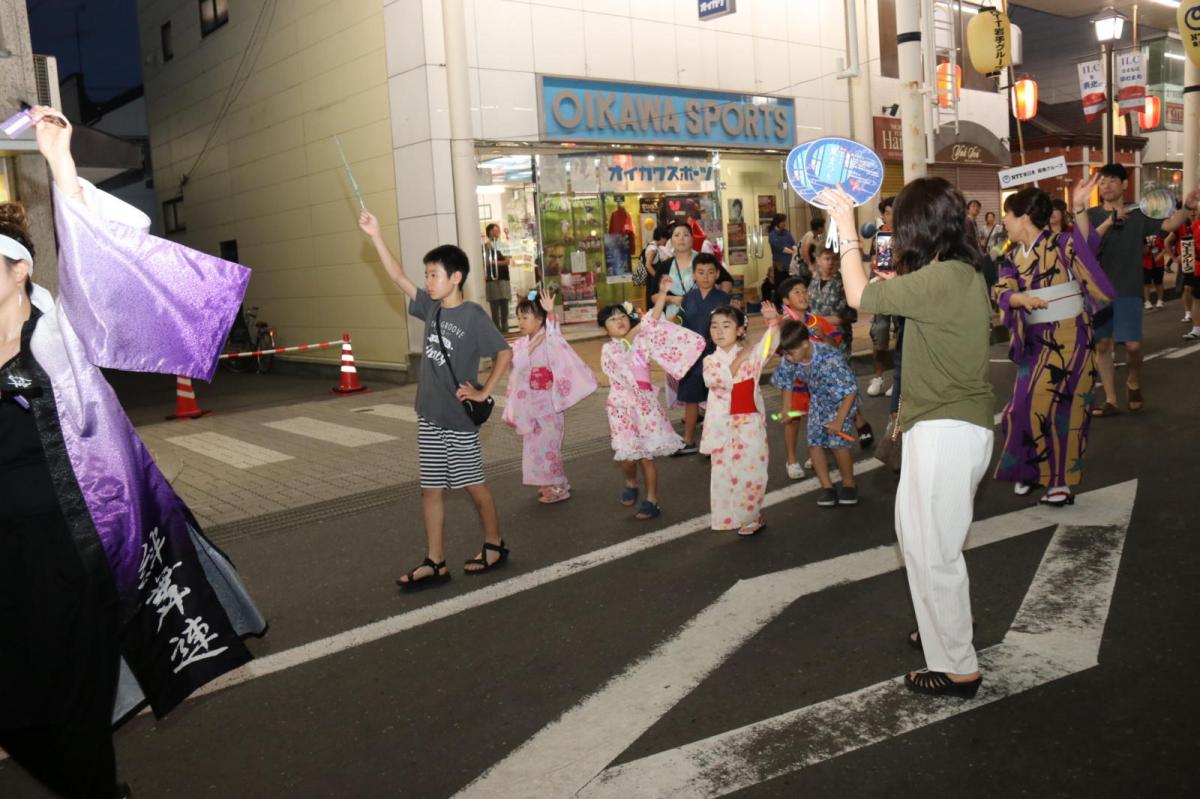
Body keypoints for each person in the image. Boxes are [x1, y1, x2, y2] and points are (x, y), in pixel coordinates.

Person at [0, 107, 266, 798]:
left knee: (76, 698)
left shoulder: (64, 333)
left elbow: (102, 257)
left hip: (79, 555)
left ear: (20, 271)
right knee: (21, 706)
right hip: (8, 563)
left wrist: (60, 165)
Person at [822, 177, 995, 699]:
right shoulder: (956, 274)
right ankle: (940, 627)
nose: (895, 234)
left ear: (920, 226)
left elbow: (859, 296)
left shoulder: (945, 276)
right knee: (918, 539)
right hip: (942, 427)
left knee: (934, 548)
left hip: (946, 429)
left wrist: (848, 229)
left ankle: (959, 666)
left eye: (899, 225)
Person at [359, 212, 514, 587]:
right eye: (426, 274)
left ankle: (494, 544)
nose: (428, 281)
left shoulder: (474, 315)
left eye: (434, 274)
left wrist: (483, 390)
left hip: (458, 419)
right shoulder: (429, 308)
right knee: (431, 490)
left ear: (455, 277)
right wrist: (376, 235)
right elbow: (397, 277)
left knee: (473, 487)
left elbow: (504, 353)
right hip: (428, 415)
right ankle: (435, 560)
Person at [993, 181, 1115, 507]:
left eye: (1008, 215)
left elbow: (1087, 252)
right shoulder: (1010, 255)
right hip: (1035, 341)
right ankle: (1032, 470)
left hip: (1070, 337)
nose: (1004, 221)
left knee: (1067, 411)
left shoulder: (1062, 244)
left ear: (1023, 218)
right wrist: (1016, 297)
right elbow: (1001, 289)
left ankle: (1059, 483)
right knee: (1020, 409)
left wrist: (1078, 209)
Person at [1086, 163, 1200, 415]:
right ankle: (1111, 400)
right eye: (1102, 181)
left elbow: (1169, 225)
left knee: (1133, 347)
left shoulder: (1139, 214)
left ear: (1125, 184)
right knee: (1103, 344)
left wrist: (1188, 207)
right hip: (1098, 292)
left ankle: (1133, 379)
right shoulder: (1091, 215)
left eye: (1112, 180)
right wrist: (1106, 222)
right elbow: (1083, 246)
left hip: (1128, 288)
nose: (1106, 185)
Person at [599, 278, 705, 521]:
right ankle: (630, 480)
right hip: (621, 409)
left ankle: (652, 500)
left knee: (646, 455)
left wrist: (662, 293)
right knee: (628, 456)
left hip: (646, 406)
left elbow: (649, 323)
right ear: (605, 329)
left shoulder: (640, 342)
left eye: (622, 316)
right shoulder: (610, 349)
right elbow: (642, 328)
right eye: (613, 319)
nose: (620, 320)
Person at [502, 288, 597, 504]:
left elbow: (557, 339)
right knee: (535, 447)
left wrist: (550, 312)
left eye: (525, 317)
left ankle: (559, 486)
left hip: (548, 405)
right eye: (519, 317)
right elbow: (513, 364)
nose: (521, 322)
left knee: (549, 447)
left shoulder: (549, 338)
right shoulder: (521, 343)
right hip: (531, 404)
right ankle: (548, 483)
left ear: (539, 319)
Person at [701, 303, 778, 535]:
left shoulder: (751, 355)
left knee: (752, 471)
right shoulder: (710, 361)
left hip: (749, 422)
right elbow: (719, 381)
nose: (719, 331)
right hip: (722, 426)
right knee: (724, 474)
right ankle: (731, 518)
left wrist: (773, 322)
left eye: (726, 325)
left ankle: (751, 516)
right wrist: (742, 356)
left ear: (740, 331)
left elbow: (769, 346)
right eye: (714, 326)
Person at [774, 317, 861, 508]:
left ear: (806, 344)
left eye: (790, 353)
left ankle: (849, 484)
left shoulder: (830, 358)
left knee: (838, 443)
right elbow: (786, 381)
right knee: (814, 442)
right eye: (785, 353)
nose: (788, 357)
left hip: (841, 402)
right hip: (818, 400)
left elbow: (850, 390)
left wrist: (838, 421)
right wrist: (787, 408)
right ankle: (827, 487)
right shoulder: (791, 355)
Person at [661, 253, 731, 455]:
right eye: (701, 272)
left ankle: (717, 441)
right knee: (691, 399)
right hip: (691, 358)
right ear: (694, 275)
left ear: (717, 274)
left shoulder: (723, 298)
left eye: (710, 272)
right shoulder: (689, 297)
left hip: (715, 356)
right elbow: (681, 319)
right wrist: (670, 324)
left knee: (716, 401)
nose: (706, 276)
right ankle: (689, 440)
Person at [808, 246, 874, 447]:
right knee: (825, 387)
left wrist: (815, 320)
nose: (831, 263)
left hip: (838, 342)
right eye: (827, 258)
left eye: (834, 259)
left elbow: (847, 316)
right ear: (817, 260)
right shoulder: (813, 282)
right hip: (816, 343)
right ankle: (855, 423)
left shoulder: (842, 284)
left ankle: (856, 424)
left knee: (842, 386)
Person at [867, 196, 896, 397]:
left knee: (904, 336)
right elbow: (878, 264)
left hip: (905, 291)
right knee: (880, 331)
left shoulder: (910, 233)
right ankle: (878, 377)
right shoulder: (881, 235)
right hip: (884, 293)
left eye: (895, 211)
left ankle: (899, 378)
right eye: (887, 212)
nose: (892, 216)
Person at [483, 222, 512, 332]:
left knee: (504, 306)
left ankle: (505, 329)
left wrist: (495, 257)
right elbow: (486, 263)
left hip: (504, 278)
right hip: (491, 280)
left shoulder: (503, 245)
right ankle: (496, 331)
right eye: (493, 231)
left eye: (497, 231)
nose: (495, 233)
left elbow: (507, 261)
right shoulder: (485, 246)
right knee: (494, 307)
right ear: (488, 233)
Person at [767, 213, 796, 292]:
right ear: (777, 223)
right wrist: (792, 252)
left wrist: (795, 250)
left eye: (784, 221)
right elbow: (780, 248)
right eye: (782, 222)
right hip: (780, 266)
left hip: (790, 266)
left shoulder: (787, 233)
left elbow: (793, 244)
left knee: (790, 288)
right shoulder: (772, 235)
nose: (784, 224)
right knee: (781, 288)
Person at [642, 225, 669, 307]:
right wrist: (658, 278)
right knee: (655, 303)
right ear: (661, 237)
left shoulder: (652, 246)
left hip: (652, 279)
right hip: (653, 281)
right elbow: (648, 265)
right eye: (666, 238)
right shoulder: (653, 249)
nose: (666, 241)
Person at [1142, 231, 1167, 311]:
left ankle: (1160, 300)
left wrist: (1162, 252)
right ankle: (1147, 301)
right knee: (1146, 283)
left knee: (1158, 282)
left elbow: (1164, 247)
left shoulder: (1159, 233)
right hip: (1146, 262)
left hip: (1159, 262)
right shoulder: (1143, 233)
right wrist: (1147, 246)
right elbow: (1144, 251)